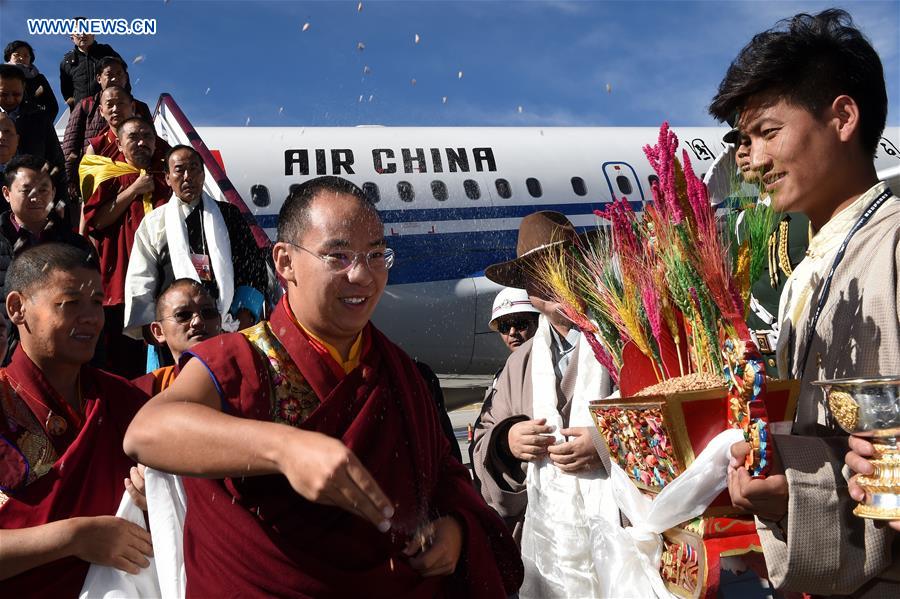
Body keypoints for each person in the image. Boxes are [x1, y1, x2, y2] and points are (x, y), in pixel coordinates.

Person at [123, 176, 522, 597]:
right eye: (338, 255)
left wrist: (456, 529)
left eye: (375, 255)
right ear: (285, 262)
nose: (363, 275)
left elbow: (443, 472)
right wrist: (285, 449)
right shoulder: (243, 357)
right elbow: (148, 431)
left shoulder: (397, 370)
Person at [709, 9, 900, 596]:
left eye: (769, 132)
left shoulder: (892, 243)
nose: (754, 161)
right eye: (744, 140)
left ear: (843, 117)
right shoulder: (804, 272)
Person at [472, 210, 617, 596]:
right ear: (528, 291)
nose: (551, 283)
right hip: (548, 554)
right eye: (537, 275)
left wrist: (606, 443)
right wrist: (508, 442)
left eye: (561, 266)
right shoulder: (518, 363)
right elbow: (484, 439)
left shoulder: (627, 337)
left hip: (622, 539)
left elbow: (671, 413)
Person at [0, 242, 152, 597]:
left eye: (97, 303)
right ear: (18, 308)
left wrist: (153, 498)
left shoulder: (124, 400)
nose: (91, 318)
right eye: (69, 304)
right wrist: (76, 537)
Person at [124, 145, 267, 340]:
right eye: (179, 170)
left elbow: (253, 268)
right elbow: (141, 277)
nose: (187, 176)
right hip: (175, 333)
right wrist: (153, 329)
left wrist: (243, 316)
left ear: (203, 174)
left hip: (229, 326)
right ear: (167, 178)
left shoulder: (229, 215)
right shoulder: (154, 222)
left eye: (193, 169)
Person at [82, 117, 171, 378]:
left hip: (163, 285)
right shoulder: (110, 175)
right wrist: (133, 189)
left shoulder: (166, 177)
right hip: (121, 285)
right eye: (133, 137)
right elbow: (97, 221)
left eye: (148, 137)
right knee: (124, 366)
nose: (142, 142)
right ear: (119, 144)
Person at [0, 155, 96, 362]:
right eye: (26, 190)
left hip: (64, 356)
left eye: (44, 190)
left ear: (53, 192)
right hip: (7, 356)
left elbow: (92, 303)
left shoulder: (77, 246)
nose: (36, 197)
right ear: (7, 194)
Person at [63, 58, 151, 201]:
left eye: (119, 74)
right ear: (99, 78)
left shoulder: (140, 107)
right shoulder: (87, 105)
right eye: (109, 74)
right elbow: (70, 143)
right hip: (98, 172)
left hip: (133, 172)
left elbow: (151, 140)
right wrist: (69, 179)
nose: (115, 78)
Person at [132, 278, 222, 396]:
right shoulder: (143, 392)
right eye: (183, 315)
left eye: (208, 312)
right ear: (159, 331)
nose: (198, 321)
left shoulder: (247, 375)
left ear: (220, 321)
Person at [0, 65, 65, 192]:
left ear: (24, 88)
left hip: (33, 198)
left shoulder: (39, 119)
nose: (10, 99)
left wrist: (59, 203)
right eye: (3, 94)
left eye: (16, 94)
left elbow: (56, 162)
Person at [59, 25, 122, 110]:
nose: (82, 35)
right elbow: (67, 91)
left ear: (93, 35)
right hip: (81, 113)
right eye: (78, 32)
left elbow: (122, 75)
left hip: (107, 109)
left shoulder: (106, 52)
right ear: (72, 38)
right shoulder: (67, 62)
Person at [4, 41, 59, 121]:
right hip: (8, 126)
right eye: (17, 55)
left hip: (36, 126)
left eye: (26, 55)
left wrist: (43, 124)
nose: (21, 58)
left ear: (30, 59)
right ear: (9, 56)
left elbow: (52, 106)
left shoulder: (39, 78)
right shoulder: (2, 76)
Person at [489, 286, 540, 353]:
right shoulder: (512, 362)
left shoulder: (552, 360)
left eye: (519, 324)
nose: (512, 332)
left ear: (538, 322)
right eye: (504, 327)